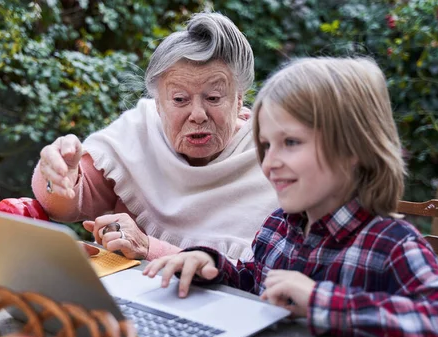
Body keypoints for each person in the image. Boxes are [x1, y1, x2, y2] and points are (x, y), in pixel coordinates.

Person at [143, 57, 438, 337]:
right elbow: (258, 283)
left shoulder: (390, 244)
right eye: (266, 146)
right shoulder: (278, 226)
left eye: (291, 142)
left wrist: (320, 301)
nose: (269, 163)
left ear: (353, 148)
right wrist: (212, 265)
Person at [32, 12, 278, 261]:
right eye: (180, 99)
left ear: (239, 100)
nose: (197, 115)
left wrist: (150, 248)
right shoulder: (140, 130)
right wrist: (59, 172)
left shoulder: (274, 156)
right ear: (158, 104)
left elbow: (262, 275)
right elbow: (62, 206)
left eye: (213, 98)